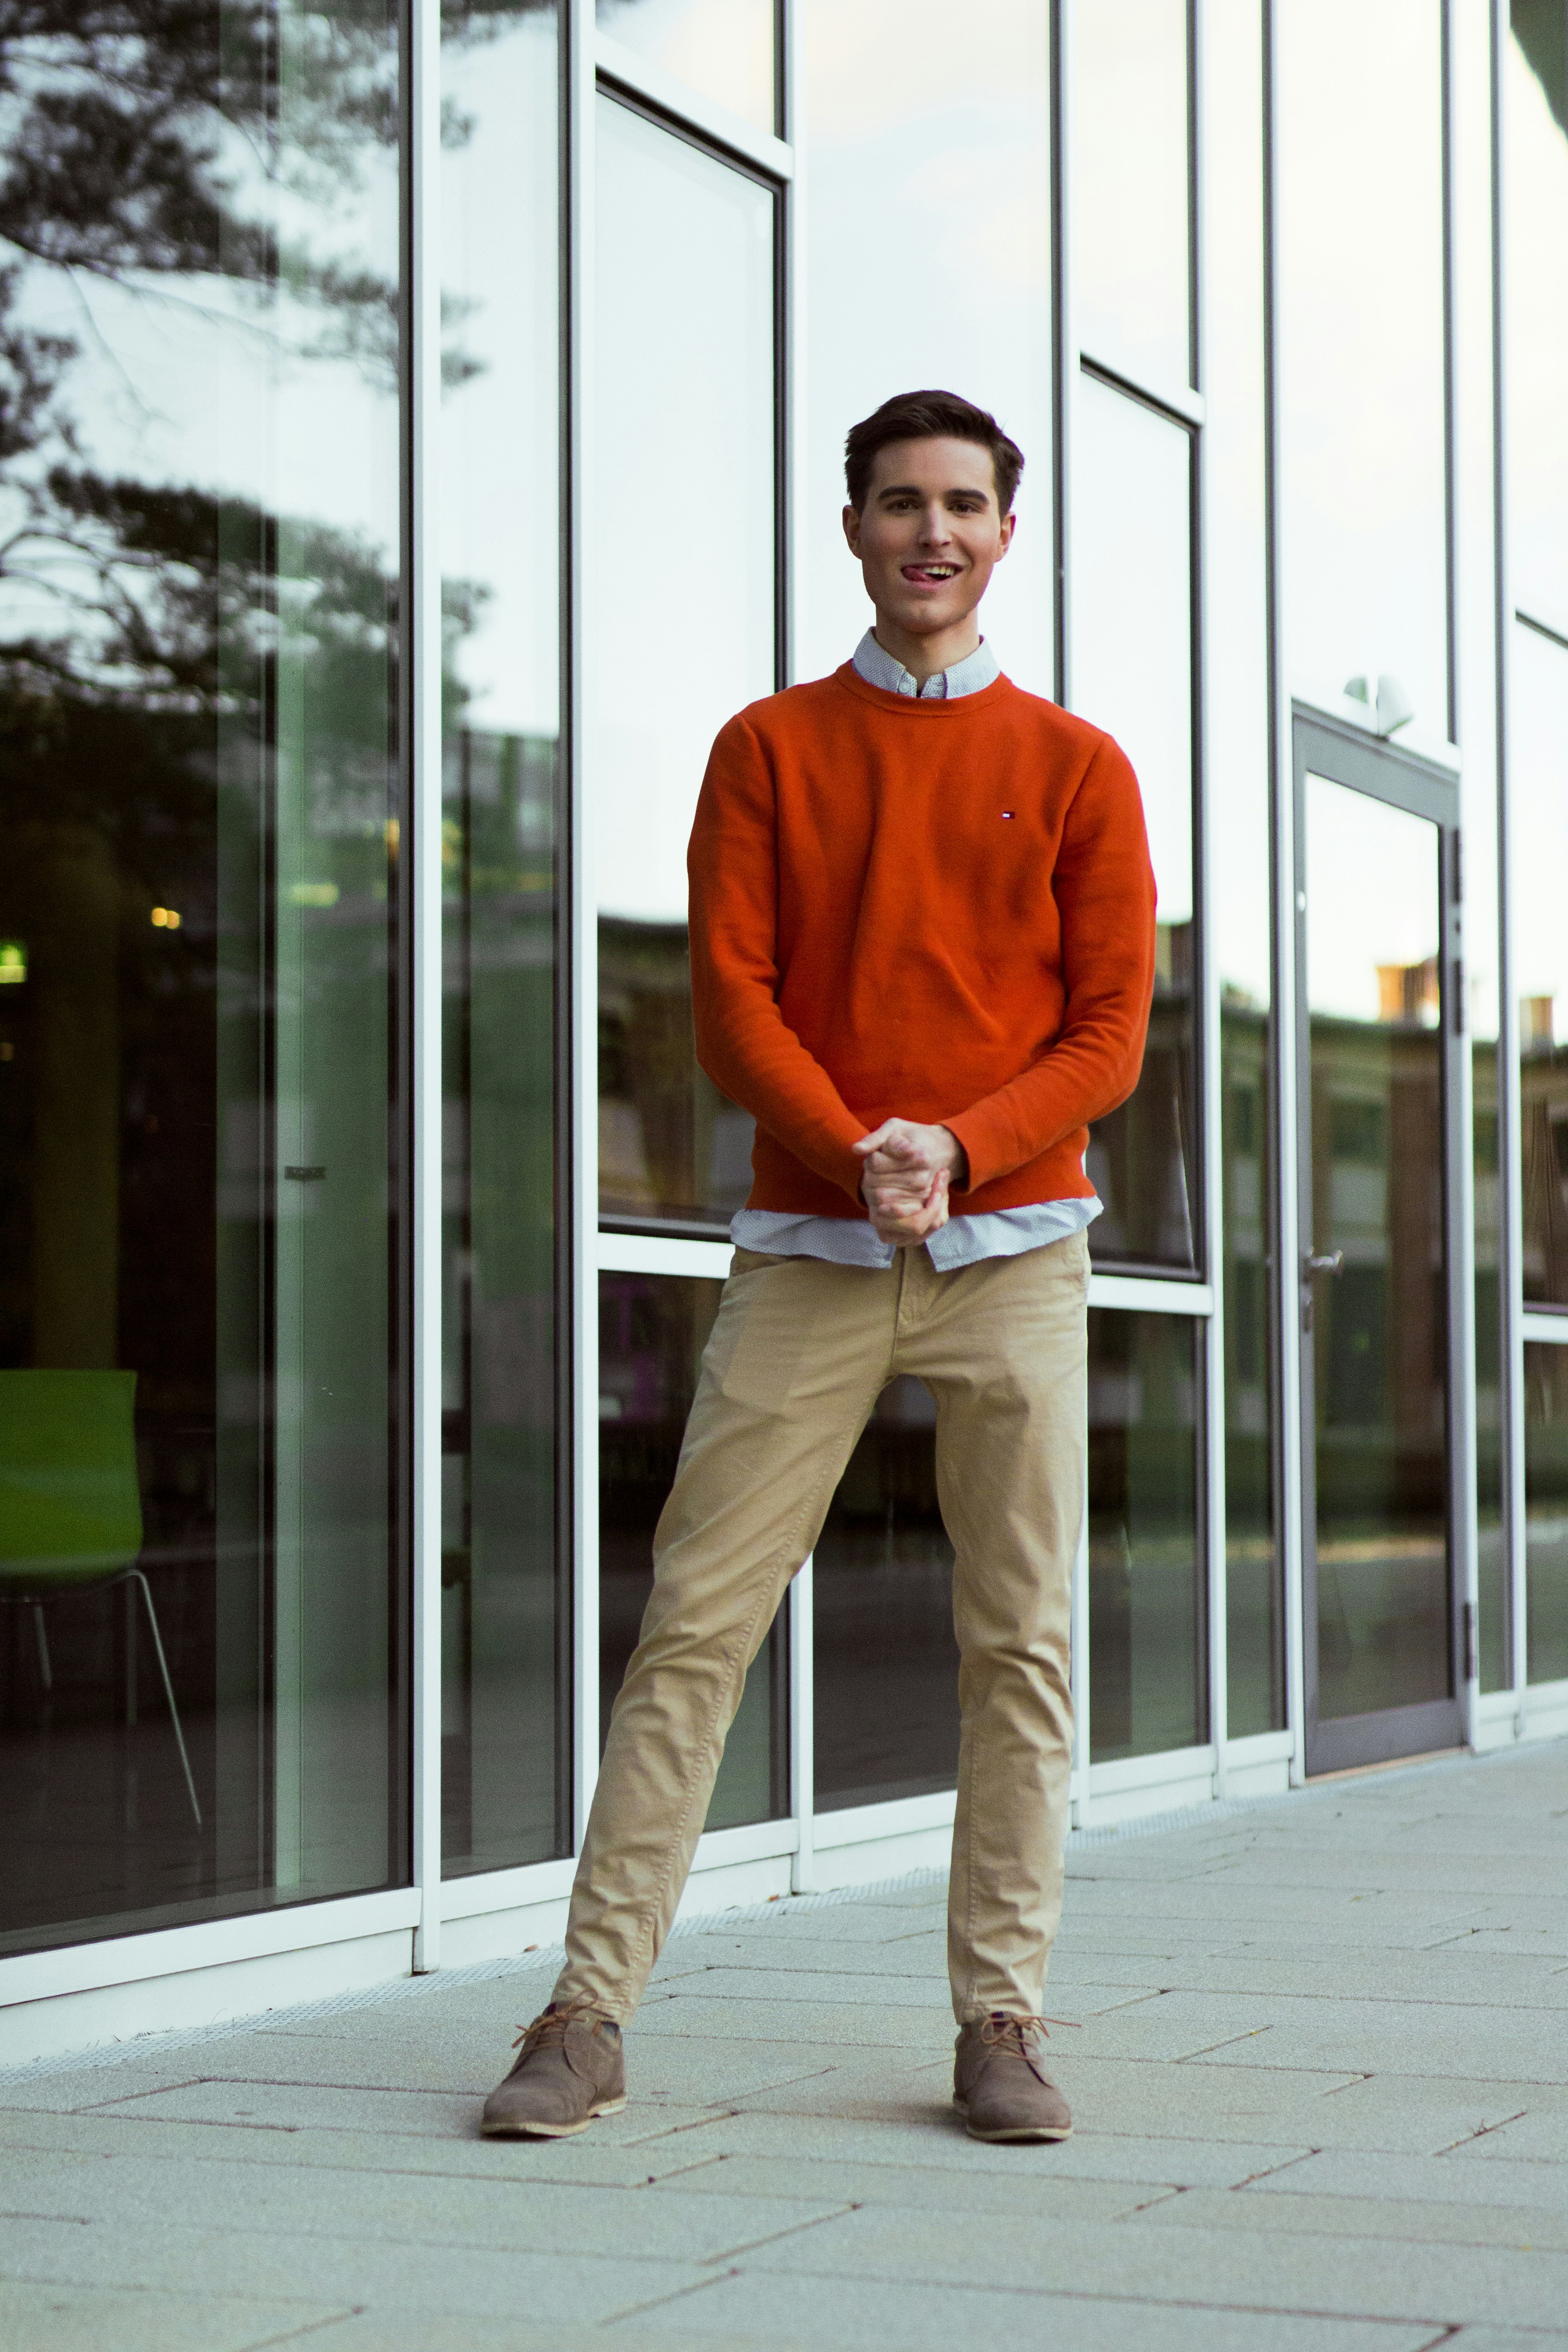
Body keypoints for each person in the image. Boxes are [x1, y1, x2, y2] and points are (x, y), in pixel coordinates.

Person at [482, 388, 1156, 2146]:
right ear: (852, 528)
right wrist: (869, 1145)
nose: (930, 530)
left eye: (962, 503)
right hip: (809, 1249)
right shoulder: (767, 748)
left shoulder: (1080, 768)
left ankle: (999, 2020)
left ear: (1010, 532)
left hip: (1014, 1254)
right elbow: (731, 1002)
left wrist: (959, 1146)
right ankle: (587, 2012)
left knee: (1022, 1644)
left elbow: (1111, 1032)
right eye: (897, 503)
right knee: (696, 1627)